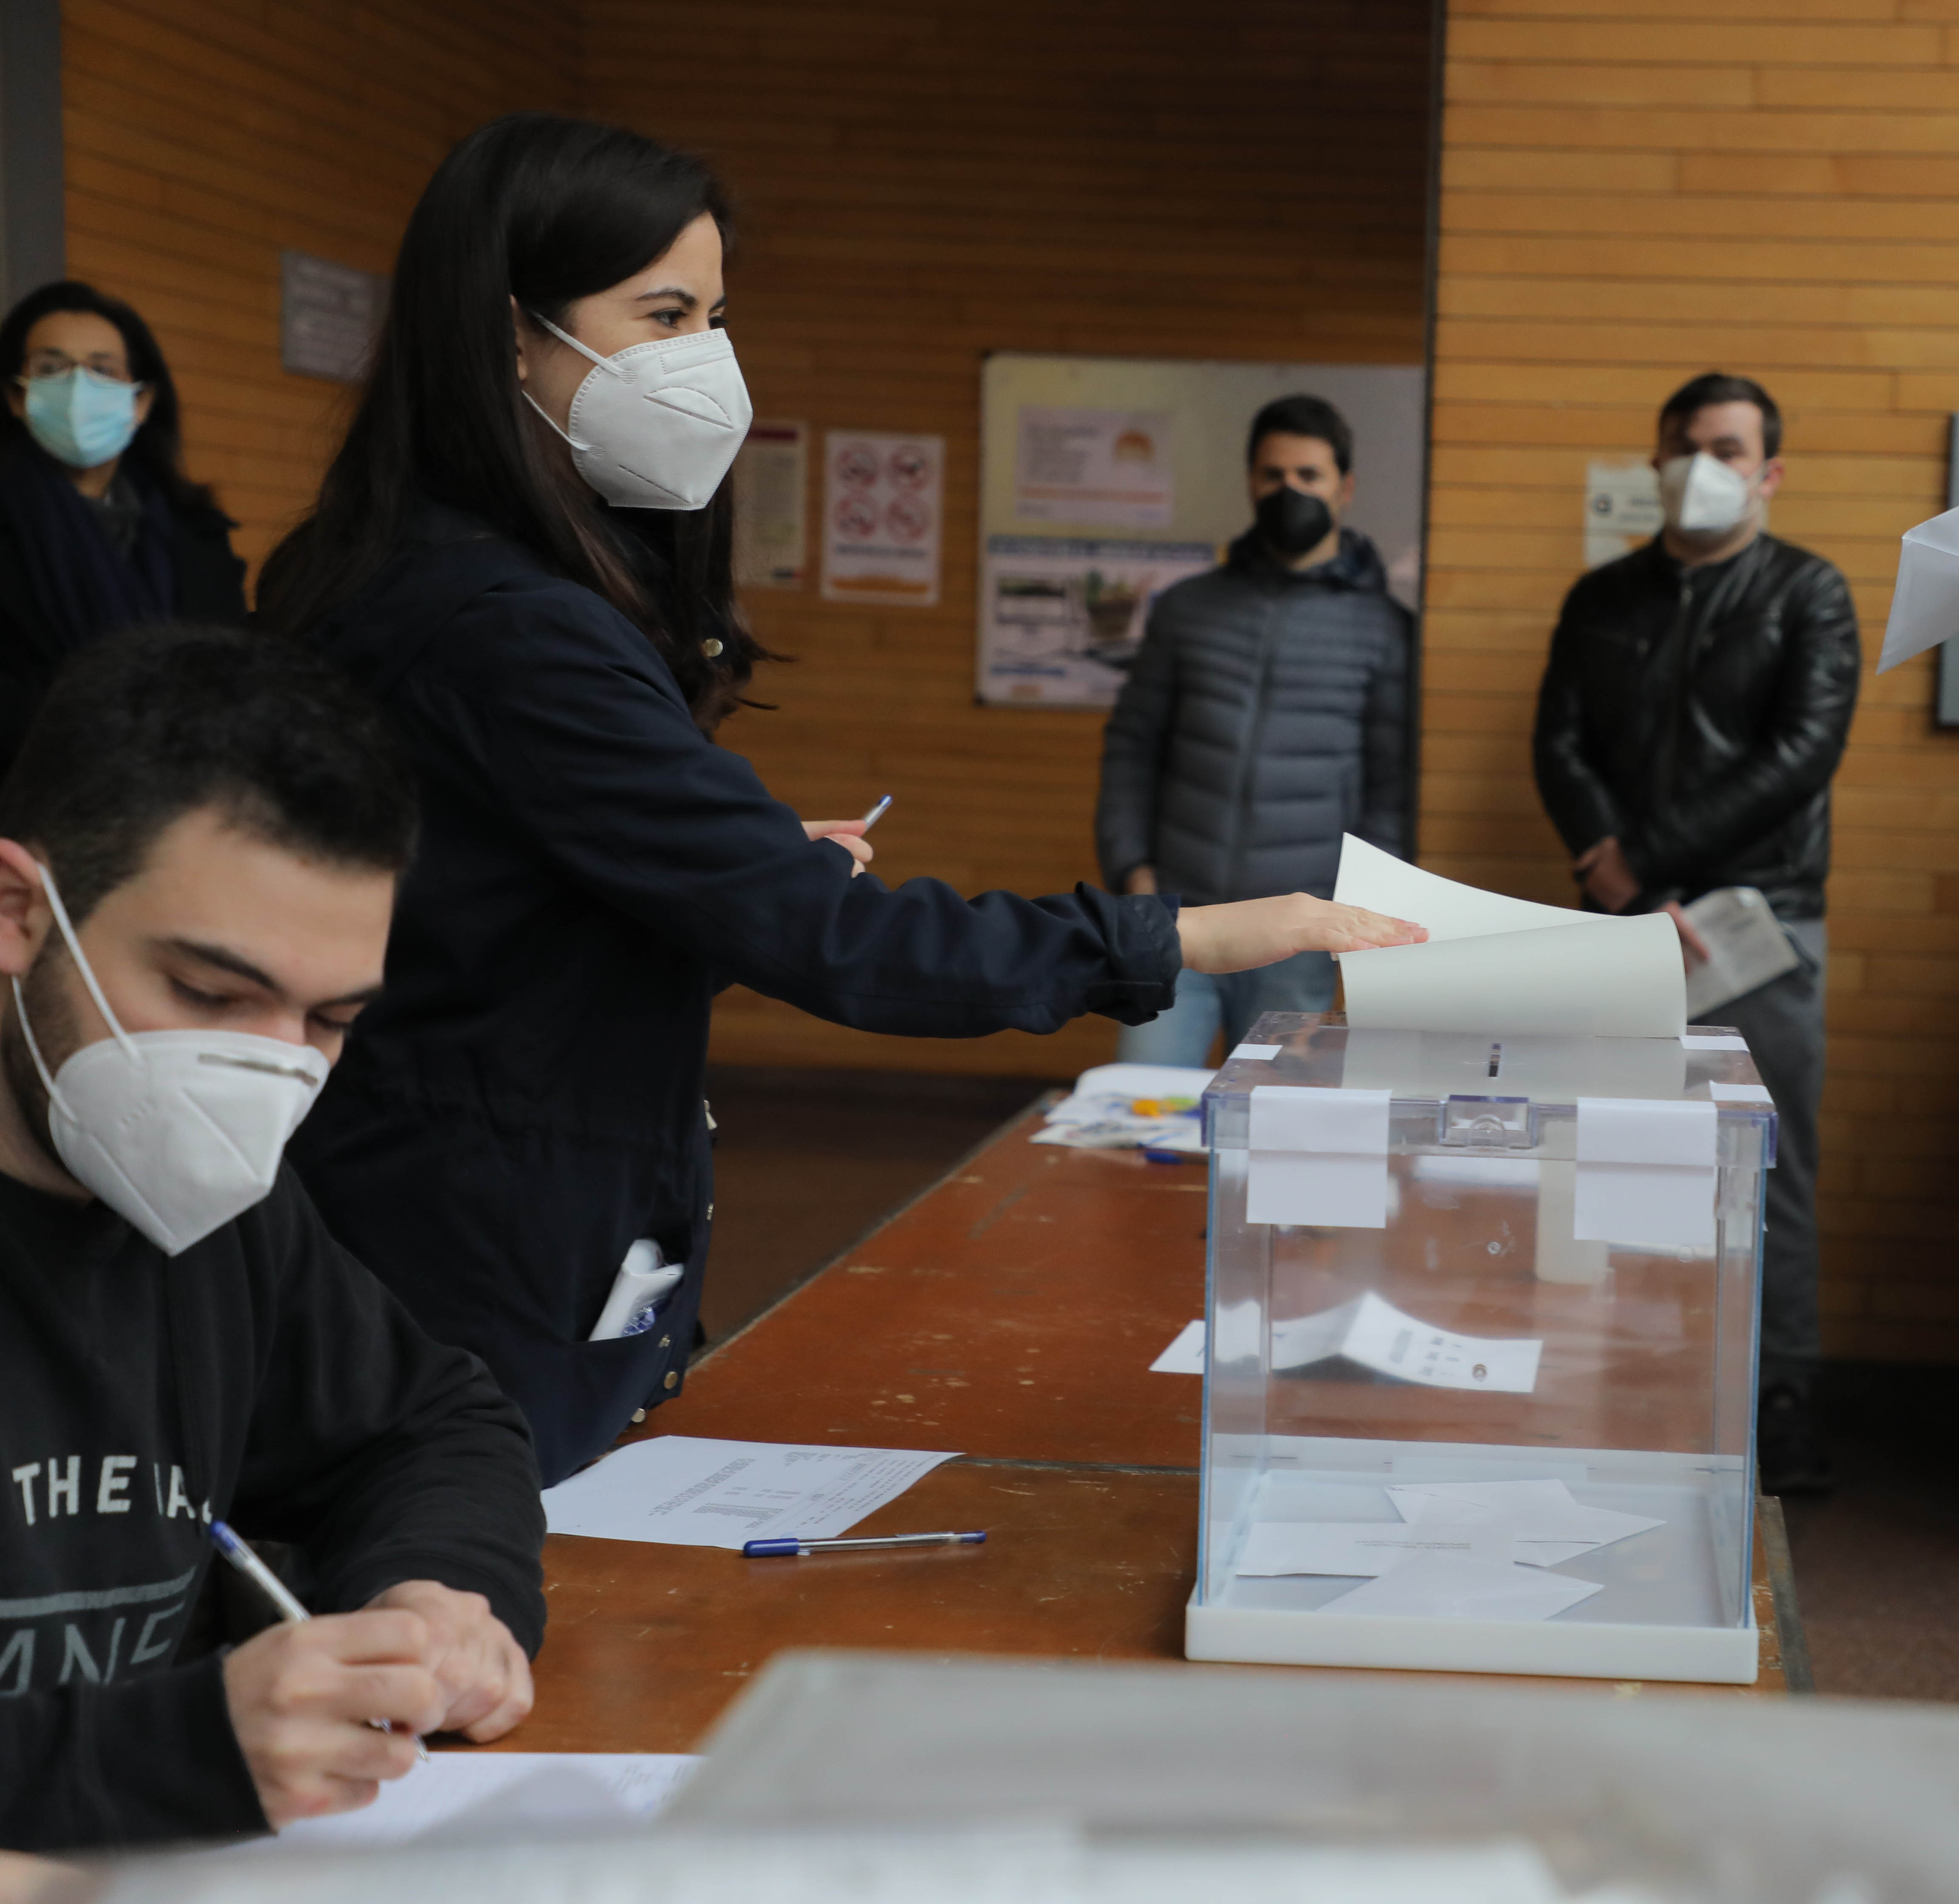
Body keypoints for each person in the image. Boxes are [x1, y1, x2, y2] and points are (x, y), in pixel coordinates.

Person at [254, 116, 1421, 1485]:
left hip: (456, 1186)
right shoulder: (510, 625)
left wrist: (723, 863)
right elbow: (839, 941)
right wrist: (1188, 936)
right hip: (475, 1231)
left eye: (717, 314)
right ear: (512, 335)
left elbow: (492, 880)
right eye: (664, 314)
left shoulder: (423, 572)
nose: (706, 358)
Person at [0, 626, 544, 1852]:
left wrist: (432, 1596)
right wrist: (174, 1752)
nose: (268, 1071)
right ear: (19, 913)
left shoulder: (219, 1209)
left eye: (333, 1019)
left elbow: (430, 1423)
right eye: (207, 996)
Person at [1531, 371, 1860, 1496]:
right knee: (1611, 1161)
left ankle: (1784, 1403)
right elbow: (1558, 744)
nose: (1701, 466)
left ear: (1769, 471)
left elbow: (1802, 753)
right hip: (1620, 926)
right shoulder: (1601, 597)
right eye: (1682, 446)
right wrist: (1612, 870)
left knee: (1772, 1174)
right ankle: (1627, 1383)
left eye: (1726, 447)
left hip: (1761, 926)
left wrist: (1652, 857)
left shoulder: (1810, 593)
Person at [1096, 393, 1412, 1063]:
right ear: (1250, 481)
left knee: (1277, 1133)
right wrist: (1134, 872)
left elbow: (1391, 788)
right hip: (1178, 925)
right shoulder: (1189, 609)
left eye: (1309, 476)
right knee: (1138, 1118)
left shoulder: (1386, 631)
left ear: (1345, 488)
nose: (1289, 491)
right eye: (1274, 476)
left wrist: (1355, 925)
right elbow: (1132, 746)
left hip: (1301, 936)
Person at [0, 281, 248, 780]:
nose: (77, 387)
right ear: (16, 397)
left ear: (141, 401)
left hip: (178, 806)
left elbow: (231, 677)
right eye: (51, 369)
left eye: (101, 369)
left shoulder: (196, 532)